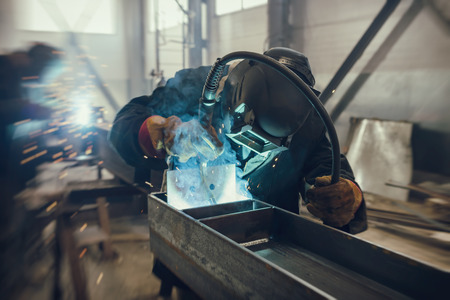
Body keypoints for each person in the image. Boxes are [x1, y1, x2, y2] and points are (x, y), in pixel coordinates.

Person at [109, 47, 367, 234]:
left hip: (264, 241)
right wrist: (164, 133)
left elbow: (330, 168)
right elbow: (125, 124)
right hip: (188, 232)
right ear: (235, 96)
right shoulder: (198, 86)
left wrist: (348, 196)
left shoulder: (307, 122)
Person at [0, 43, 62, 296]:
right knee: (5, 229)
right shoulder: (6, 69)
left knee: (15, 224)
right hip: (3, 172)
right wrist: (33, 109)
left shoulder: (17, 75)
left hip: (10, 167)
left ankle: (15, 278)